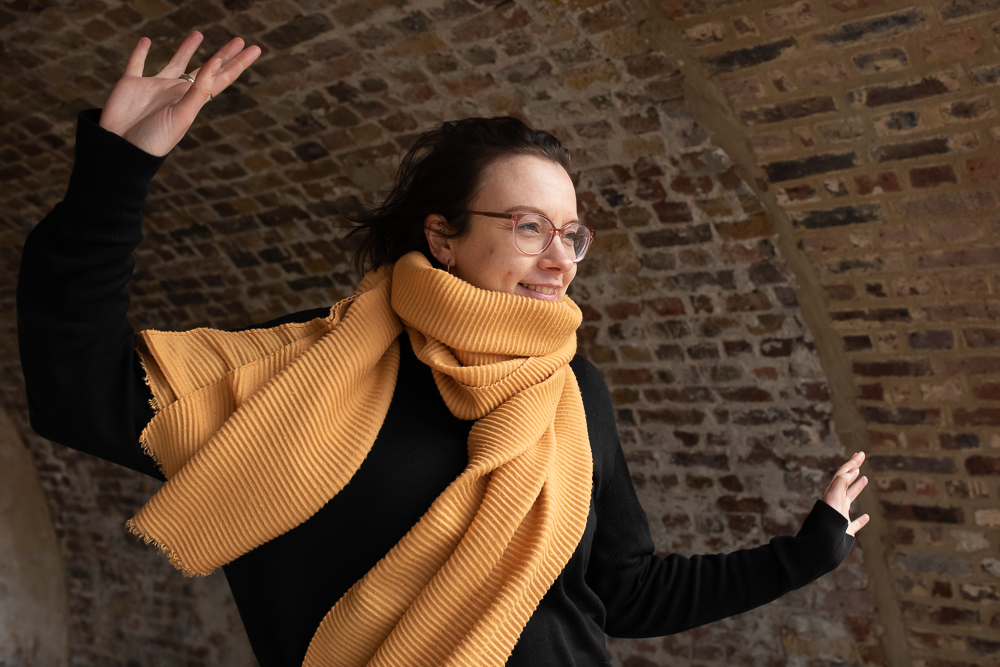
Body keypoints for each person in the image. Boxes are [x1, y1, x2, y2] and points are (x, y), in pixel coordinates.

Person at [17, 32, 870, 667]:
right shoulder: (316, 370)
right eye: (528, 226)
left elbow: (622, 589)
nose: (560, 257)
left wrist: (803, 555)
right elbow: (78, 386)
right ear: (443, 236)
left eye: (572, 233)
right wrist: (118, 168)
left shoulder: (571, 389)